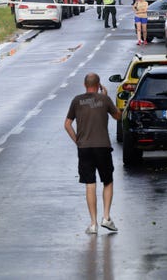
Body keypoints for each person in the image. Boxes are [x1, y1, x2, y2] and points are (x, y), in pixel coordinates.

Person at [64, 73, 121, 235]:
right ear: (98, 85)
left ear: (84, 85)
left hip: (85, 148)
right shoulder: (104, 99)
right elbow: (118, 116)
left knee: (90, 184)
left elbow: (67, 124)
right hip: (102, 147)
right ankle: (107, 217)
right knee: (107, 181)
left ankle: (93, 224)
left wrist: (78, 142)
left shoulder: (77, 100)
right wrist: (106, 97)